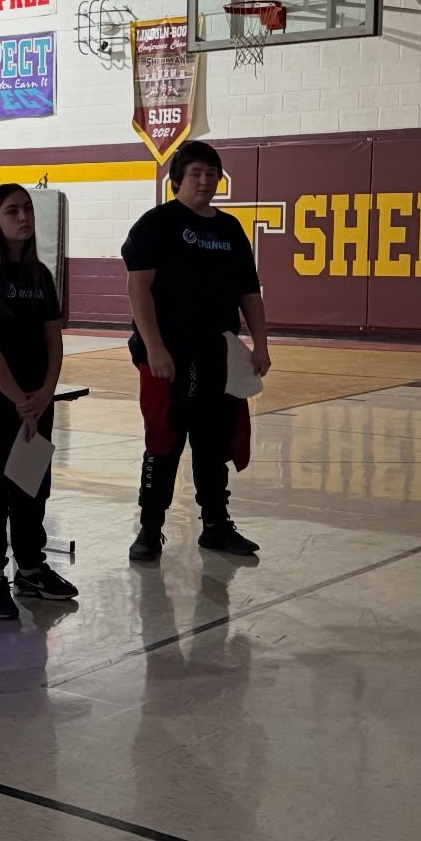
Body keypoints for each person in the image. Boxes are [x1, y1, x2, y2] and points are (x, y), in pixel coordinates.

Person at [123, 141, 270, 562]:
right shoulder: (156, 225)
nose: (205, 181)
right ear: (176, 181)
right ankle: (150, 528)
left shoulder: (229, 230)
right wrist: (155, 348)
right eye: (195, 174)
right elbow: (138, 290)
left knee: (213, 442)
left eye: (212, 174)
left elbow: (249, 291)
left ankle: (216, 525)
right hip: (166, 357)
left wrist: (259, 343)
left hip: (217, 355)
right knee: (164, 440)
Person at [0, 184, 77, 622]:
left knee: (32, 484)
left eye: (27, 209)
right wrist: (19, 401)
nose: (24, 217)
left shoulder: (39, 275)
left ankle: (30, 568)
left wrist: (45, 393)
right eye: (13, 211)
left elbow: (53, 339)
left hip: (36, 399)